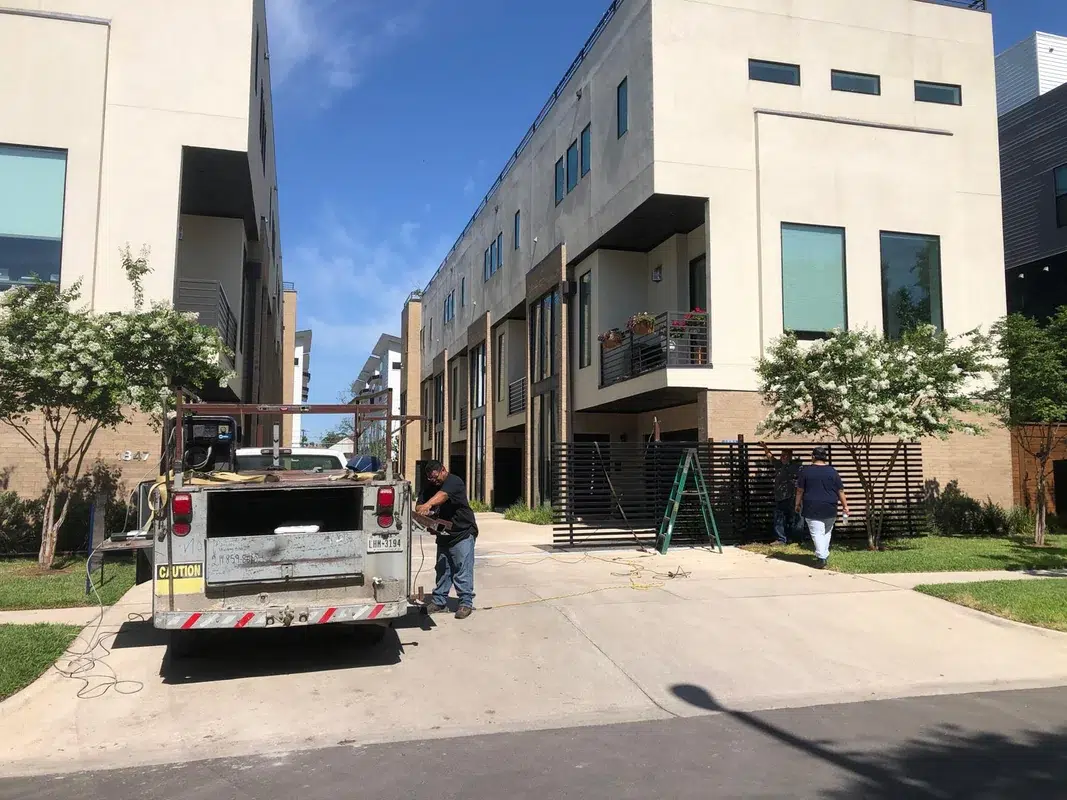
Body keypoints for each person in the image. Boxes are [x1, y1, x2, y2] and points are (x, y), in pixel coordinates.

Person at [415, 460, 478, 619]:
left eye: (436, 477)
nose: (433, 481)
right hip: (444, 533)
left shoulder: (454, 481)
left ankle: (465, 603)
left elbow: (442, 496)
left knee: (462, 569)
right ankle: (438, 601)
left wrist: (428, 505)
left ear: (443, 470)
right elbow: (419, 505)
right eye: (430, 478)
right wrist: (425, 513)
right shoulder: (430, 486)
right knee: (443, 569)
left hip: (462, 532)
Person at [794, 447, 850, 569]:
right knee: (826, 532)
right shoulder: (833, 471)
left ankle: (821, 557)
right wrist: (845, 506)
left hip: (812, 506)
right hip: (830, 506)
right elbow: (840, 490)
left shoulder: (805, 471)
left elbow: (800, 490)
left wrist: (797, 504)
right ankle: (824, 554)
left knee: (817, 533)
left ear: (813, 457)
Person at [759, 442, 801, 545]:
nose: (782, 457)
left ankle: (791, 539)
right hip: (780, 497)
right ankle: (781, 539)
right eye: (781, 455)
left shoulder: (794, 467)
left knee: (791, 518)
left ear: (790, 456)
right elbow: (770, 457)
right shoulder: (779, 465)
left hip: (790, 497)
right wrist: (765, 447)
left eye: (785, 455)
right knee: (779, 517)